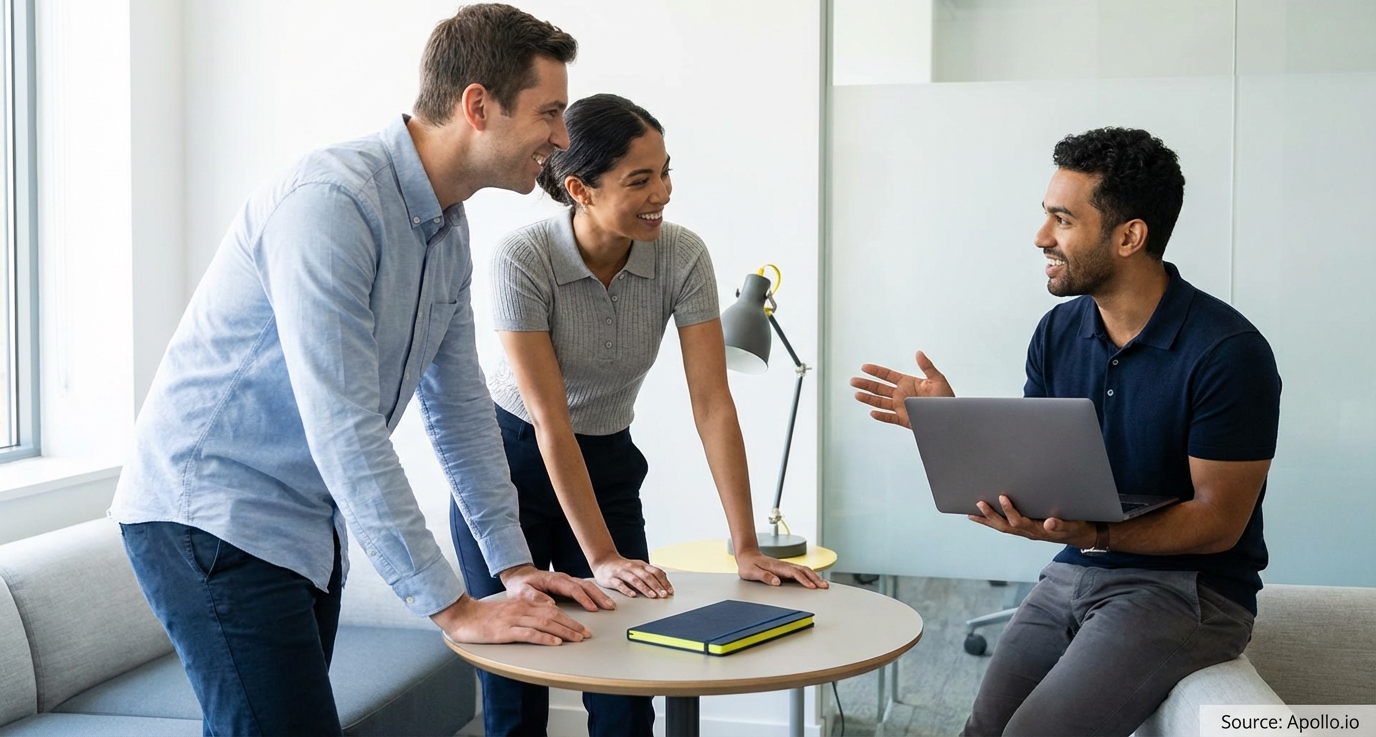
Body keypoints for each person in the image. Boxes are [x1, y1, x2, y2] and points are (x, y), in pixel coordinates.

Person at [109, 3, 619, 737]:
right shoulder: (331, 205)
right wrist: (454, 608)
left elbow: (461, 408)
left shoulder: (447, 229)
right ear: (478, 105)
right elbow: (344, 427)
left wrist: (509, 563)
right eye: (550, 113)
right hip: (209, 517)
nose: (562, 138)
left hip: (303, 527)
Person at [851, 127, 1282, 736]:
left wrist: (1099, 532)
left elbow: (1219, 522)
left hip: (1190, 591)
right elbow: (1041, 468)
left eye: (1062, 220)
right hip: (1076, 568)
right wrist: (950, 424)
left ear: (1130, 236)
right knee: (982, 729)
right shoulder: (1057, 332)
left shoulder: (1227, 353)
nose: (1040, 237)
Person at [451, 93, 829, 737]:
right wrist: (600, 558)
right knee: (516, 690)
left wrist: (744, 545)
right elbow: (548, 420)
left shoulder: (681, 256)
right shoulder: (522, 257)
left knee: (627, 682)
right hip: (507, 466)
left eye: (666, 170)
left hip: (607, 461)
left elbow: (712, 403)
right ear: (580, 189)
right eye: (640, 179)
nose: (664, 192)